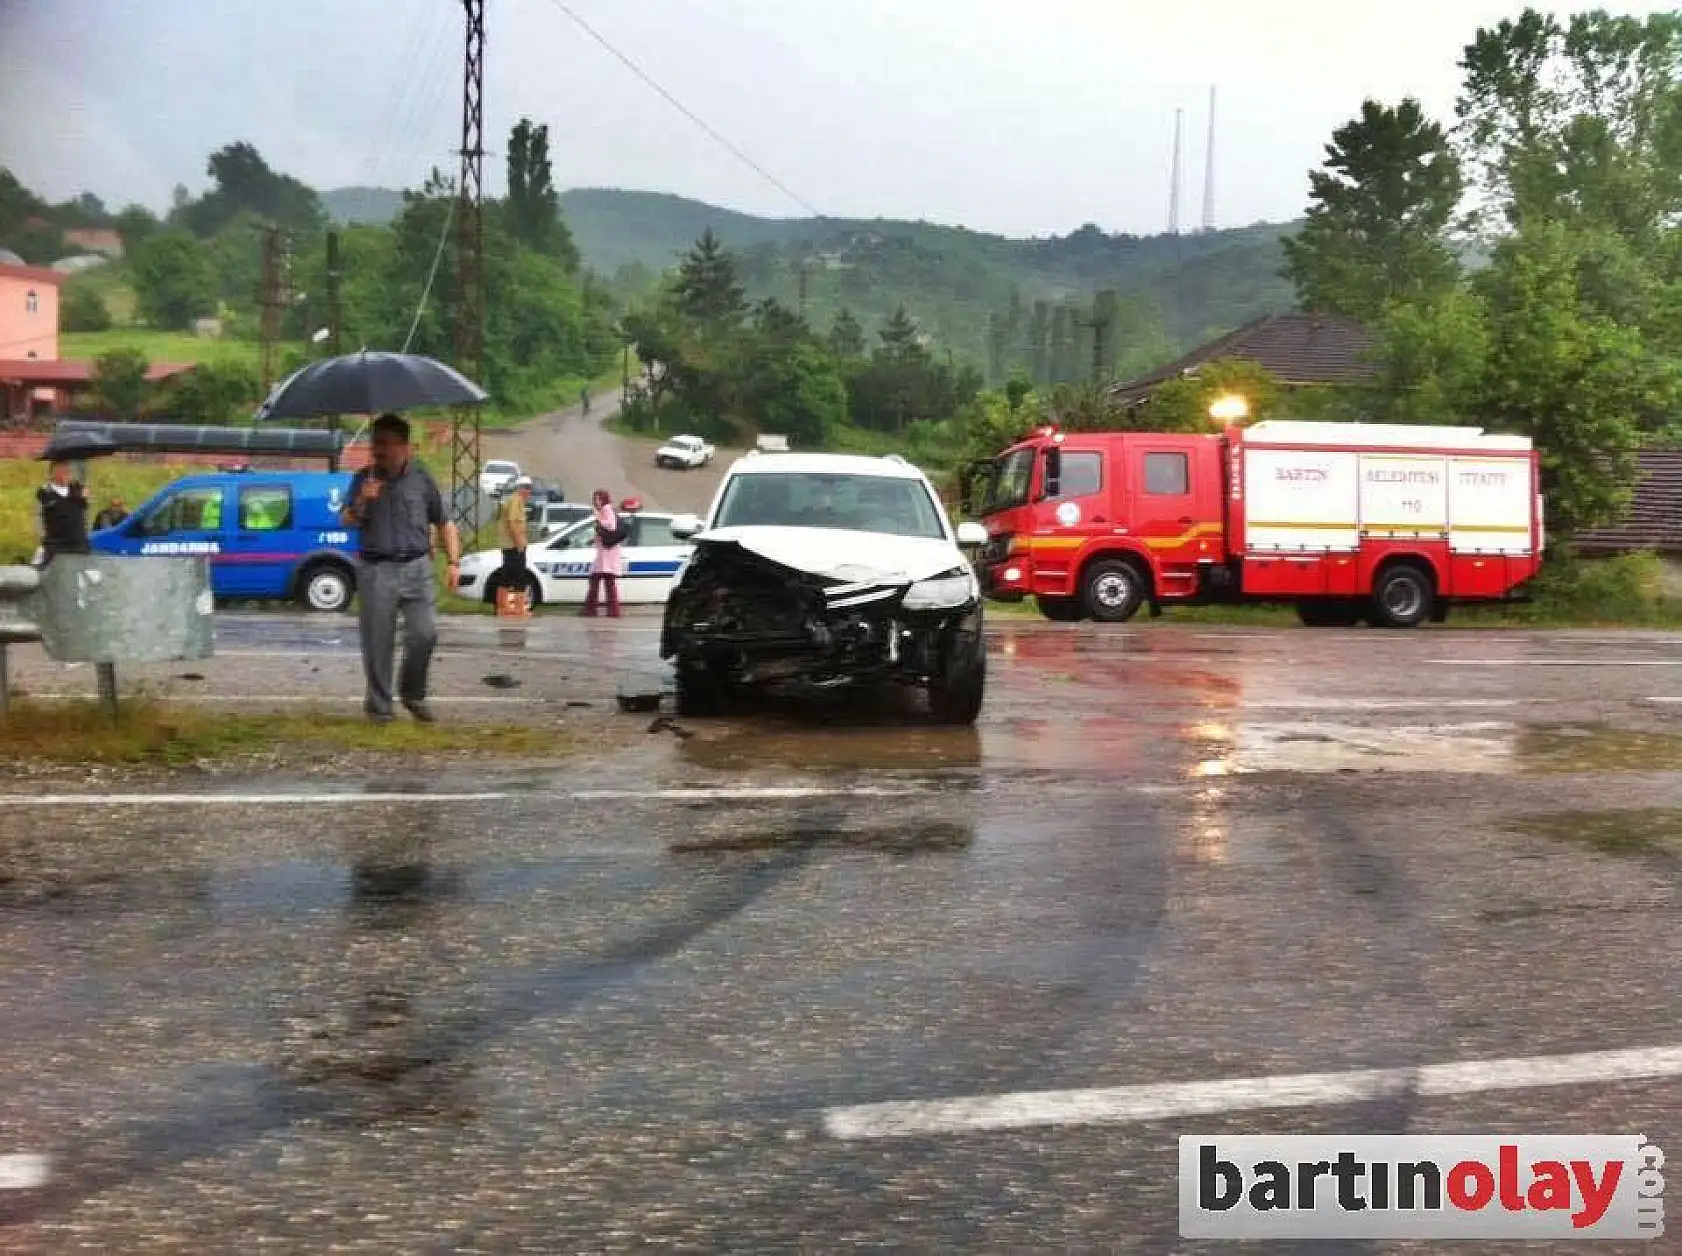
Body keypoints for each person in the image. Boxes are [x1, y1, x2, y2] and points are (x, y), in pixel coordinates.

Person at [338, 413, 461, 723]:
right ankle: (379, 707)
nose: (378, 450)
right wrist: (363, 501)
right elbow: (346, 519)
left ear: (405, 447)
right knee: (378, 641)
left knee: (425, 633)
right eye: (374, 443)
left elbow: (443, 521)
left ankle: (413, 693)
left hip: (418, 567)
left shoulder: (421, 479)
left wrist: (454, 562)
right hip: (377, 568)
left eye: (385, 444)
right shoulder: (363, 479)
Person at [36, 461, 90, 566]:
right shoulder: (45, 493)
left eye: (68, 471)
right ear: (52, 474)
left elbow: (86, 515)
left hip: (79, 546)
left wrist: (82, 496)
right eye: (62, 471)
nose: (67, 473)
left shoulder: (78, 490)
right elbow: (38, 519)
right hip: (57, 548)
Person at [494, 476, 533, 612]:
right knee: (519, 577)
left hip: (509, 545)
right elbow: (513, 524)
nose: (530, 492)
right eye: (528, 489)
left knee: (507, 576)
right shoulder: (516, 501)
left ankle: (503, 607)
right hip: (514, 545)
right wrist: (519, 544)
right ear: (522, 488)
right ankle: (518, 609)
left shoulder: (514, 501)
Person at [582, 488, 624, 618]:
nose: (596, 502)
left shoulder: (606, 509)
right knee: (604, 582)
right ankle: (609, 611)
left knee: (601, 581)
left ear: (604, 499)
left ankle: (593, 610)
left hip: (608, 553)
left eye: (598, 499)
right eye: (595, 499)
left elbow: (611, 526)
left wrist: (598, 519)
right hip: (604, 552)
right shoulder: (605, 510)